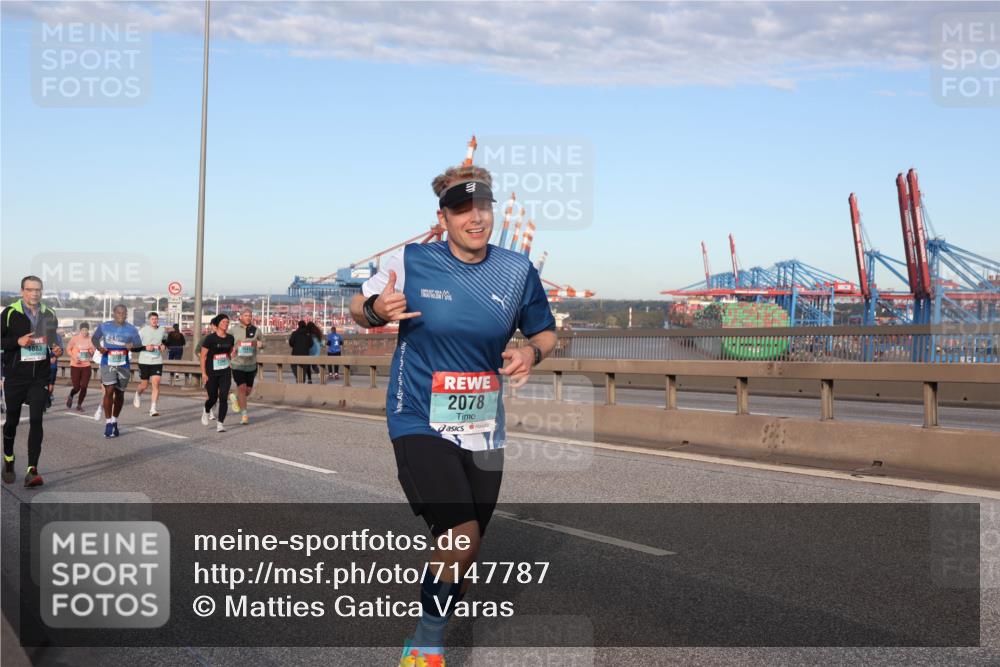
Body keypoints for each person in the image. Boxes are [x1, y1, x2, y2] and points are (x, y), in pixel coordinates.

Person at [350, 163, 557, 666]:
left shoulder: (517, 270)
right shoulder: (411, 259)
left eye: (482, 207)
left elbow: (546, 332)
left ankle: (429, 628)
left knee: (467, 546)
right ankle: (426, 645)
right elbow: (358, 307)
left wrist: (531, 352)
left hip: (483, 427)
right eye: (462, 209)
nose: (475, 218)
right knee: (461, 537)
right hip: (418, 416)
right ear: (442, 218)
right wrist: (376, 310)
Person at [2, 275, 63, 487]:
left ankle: (32, 470)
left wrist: (57, 349)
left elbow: (53, 341)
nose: (34, 293)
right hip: (15, 376)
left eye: (38, 290)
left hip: (39, 377)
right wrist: (17, 341)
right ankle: (9, 459)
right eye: (30, 289)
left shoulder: (49, 313)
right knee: (12, 421)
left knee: (37, 420)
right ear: (22, 291)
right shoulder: (10, 313)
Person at [92, 304, 145, 438]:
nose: (121, 315)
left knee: (120, 394)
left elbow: (139, 346)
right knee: (109, 390)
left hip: (123, 364)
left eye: (123, 313)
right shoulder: (104, 326)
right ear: (114, 314)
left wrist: (132, 346)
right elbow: (94, 338)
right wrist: (99, 348)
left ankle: (115, 420)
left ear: (126, 314)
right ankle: (108, 423)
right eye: (118, 313)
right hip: (107, 362)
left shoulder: (132, 329)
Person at [199, 313, 234, 432]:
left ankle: (220, 423)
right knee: (213, 398)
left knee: (223, 397)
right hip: (211, 372)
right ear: (218, 324)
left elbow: (229, 353)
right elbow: (202, 356)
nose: (226, 324)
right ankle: (206, 410)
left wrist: (232, 357)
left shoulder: (230, 338)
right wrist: (204, 373)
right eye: (223, 322)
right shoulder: (210, 339)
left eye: (227, 322)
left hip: (225, 371)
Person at [228, 307, 263, 425]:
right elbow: (226, 343)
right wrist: (231, 350)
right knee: (242, 388)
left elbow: (264, 343)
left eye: (250, 316)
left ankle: (234, 396)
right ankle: (244, 415)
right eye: (246, 315)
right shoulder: (233, 330)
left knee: (247, 391)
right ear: (241, 317)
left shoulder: (256, 330)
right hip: (237, 364)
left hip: (251, 365)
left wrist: (261, 344)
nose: (248, 318)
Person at [133, 311, 168, 416]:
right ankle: (138, 394)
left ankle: (153, 409)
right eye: (152, 319)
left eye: (156, 319)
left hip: (157, 361)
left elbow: (165, 341)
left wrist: (164, 345)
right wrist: (145, 348)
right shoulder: (143, 331)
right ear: (149, 320)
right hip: (144, 361)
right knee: (144, 385)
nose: (154, 321)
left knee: (156, 383)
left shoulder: (162, 330)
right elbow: (134, 347)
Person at [65, 322, 95, 412]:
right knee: (77, 387)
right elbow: (68, 349)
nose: (85, 332)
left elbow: (92, 351)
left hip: (86, 365)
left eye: (86, 330)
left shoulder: (90, 339)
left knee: (84, 386)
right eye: (83, 330)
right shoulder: (74, 339)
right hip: (75, 365)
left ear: (88, 330)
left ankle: (79, 405)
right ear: (80, 330)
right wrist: (74, 358)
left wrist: (91, 352)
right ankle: (71, 395)